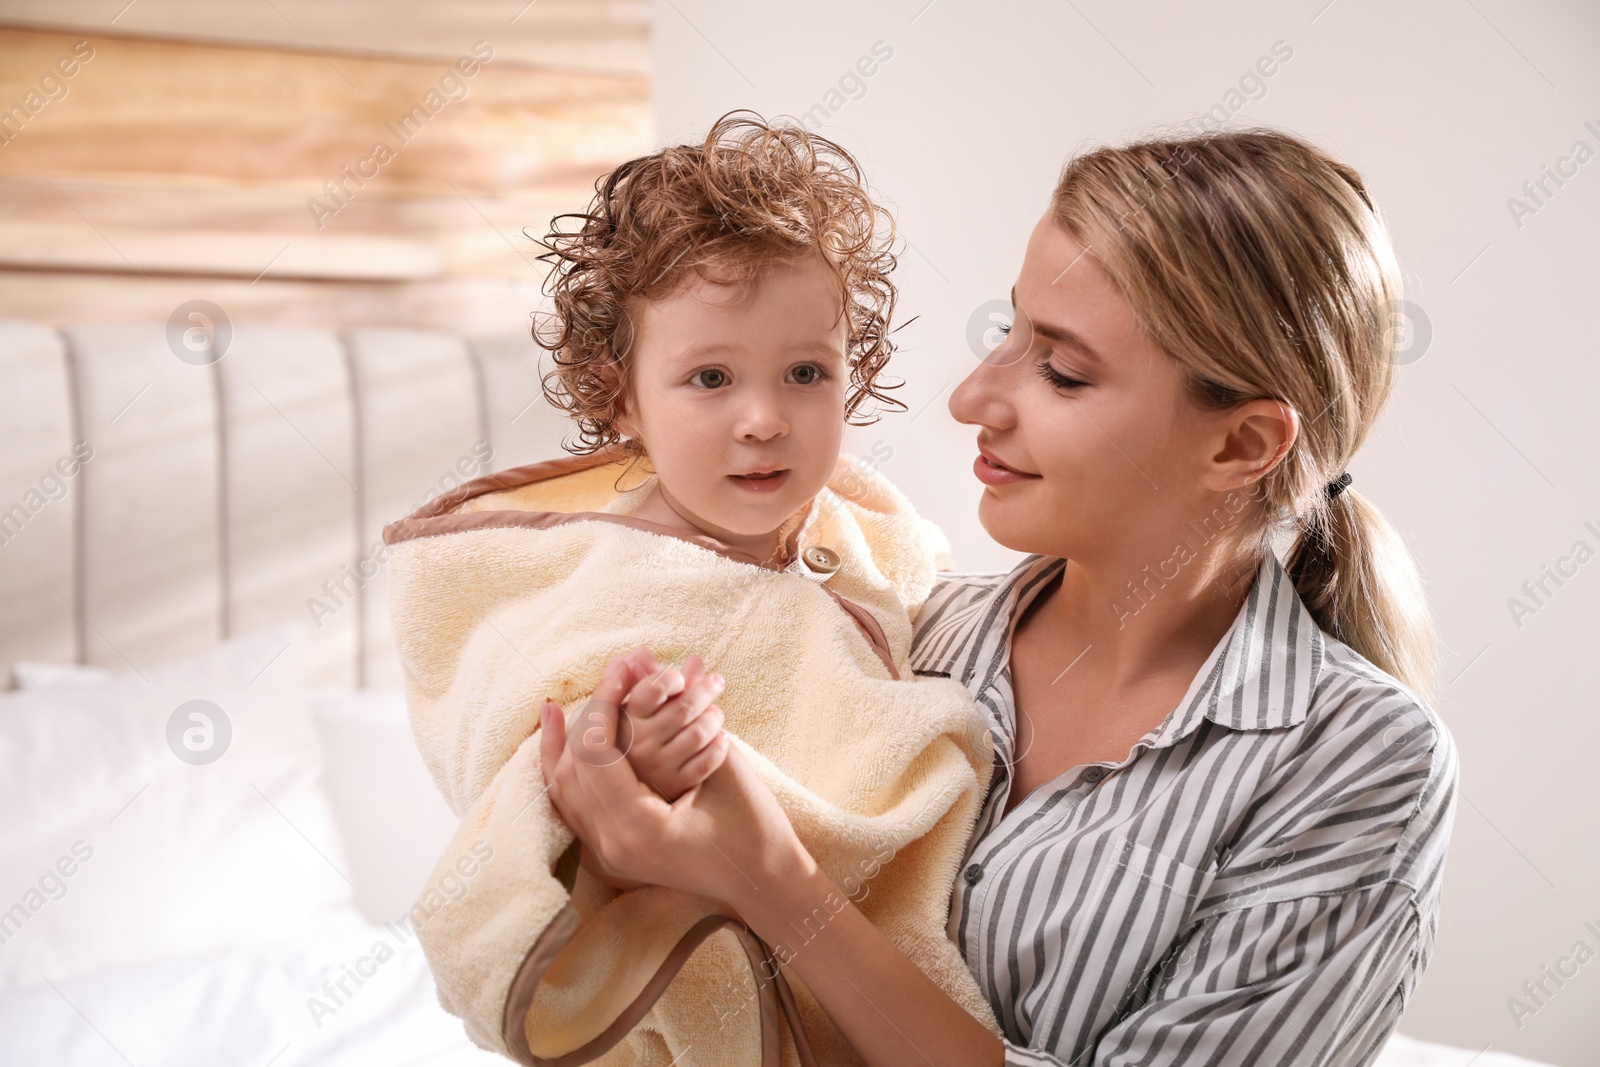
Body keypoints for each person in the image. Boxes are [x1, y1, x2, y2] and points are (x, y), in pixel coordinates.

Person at [540, 127, 1461, 1066]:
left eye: (1061, 370)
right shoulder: (907, 631)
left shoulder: (1360, 760)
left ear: (1239, 445)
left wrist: (773, 882)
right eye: (1006, 333)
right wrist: (623, 833)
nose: (971, 396)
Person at [383, 111, 997, 1065]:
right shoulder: (605, 587)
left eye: (806, 372)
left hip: (867, 972)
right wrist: (628, 764)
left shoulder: (861, 526)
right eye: (709, 377)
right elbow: (525, 743)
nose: (764, 419)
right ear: (620, 395)